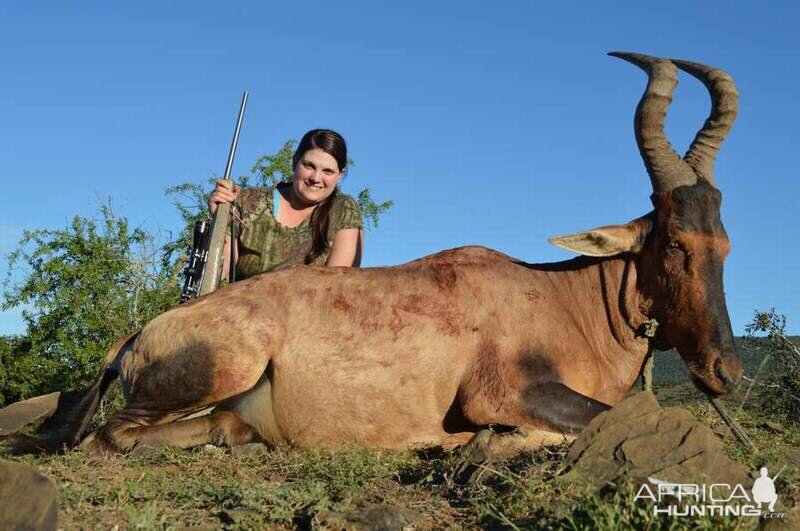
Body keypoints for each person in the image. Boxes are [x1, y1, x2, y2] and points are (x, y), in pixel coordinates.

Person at [208, 129, 364, 281]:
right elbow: (218, 272)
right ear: (295, 161)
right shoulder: (249, 201)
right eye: (309, 166)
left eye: (328, 171)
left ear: (340, 175)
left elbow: (337, 287)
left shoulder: (344, 210)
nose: (316, 178)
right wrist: (220, 223)